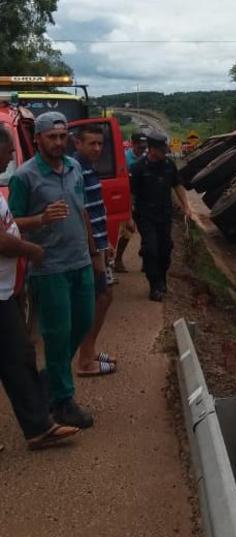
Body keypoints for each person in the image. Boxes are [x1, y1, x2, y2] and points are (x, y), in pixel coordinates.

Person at [9, 112, 96, 429]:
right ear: (38, 139)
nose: (59, 143)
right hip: (49, 268)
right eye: (52, 137)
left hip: (80, 261)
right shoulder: (24, 176)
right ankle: (62, 401)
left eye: (62, 137)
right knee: (57, 335)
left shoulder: (74, 168)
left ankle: (49, 380)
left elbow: (82, 210)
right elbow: (12, 223)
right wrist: (41, 220)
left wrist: (96, 251)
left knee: (83, 322)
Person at [0, 125, 80, 450]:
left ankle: (38, 427)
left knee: (18, 359)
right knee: (19, 355)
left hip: (5, 292)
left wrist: (38, 223)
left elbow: (10, 225)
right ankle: (39, 426)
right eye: (6, 153)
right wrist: (31, 250)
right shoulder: (22, 177)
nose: (9, 160)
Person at [74, 124, 117, 377]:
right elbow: (82, 214)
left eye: (100, 144)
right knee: (100, 297)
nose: (97, 148)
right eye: (92, 143)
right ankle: (85, 359)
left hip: (98, 245)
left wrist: (106, 242)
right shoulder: (76, 170)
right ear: (77, 143)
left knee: (103, 297)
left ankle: (89, 351)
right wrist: (94, 252)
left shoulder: (89, 168)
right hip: (89, 249)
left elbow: (97, 209)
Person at [129, 131, 192, 301]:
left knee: (165, 249)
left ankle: (162, 279)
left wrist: (186, 206)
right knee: (151, 249)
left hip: (164, 214)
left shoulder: (169, 165)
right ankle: (154, 286)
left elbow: (177, 185)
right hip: (145, 215)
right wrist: (129, 216)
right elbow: (131, 195)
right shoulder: (138, 168)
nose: (165, 151)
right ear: (152, 149)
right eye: (161, 148)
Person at [114, 132, 147, 273]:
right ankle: (117, 260)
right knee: (127, 232)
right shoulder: (124, 159)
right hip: (127, 200)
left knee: (147, 234)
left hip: (143, 201)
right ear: (132, 143)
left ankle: (147, 262)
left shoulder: (146, 159)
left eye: (144, 147)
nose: (141, 150)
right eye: (139, 147)